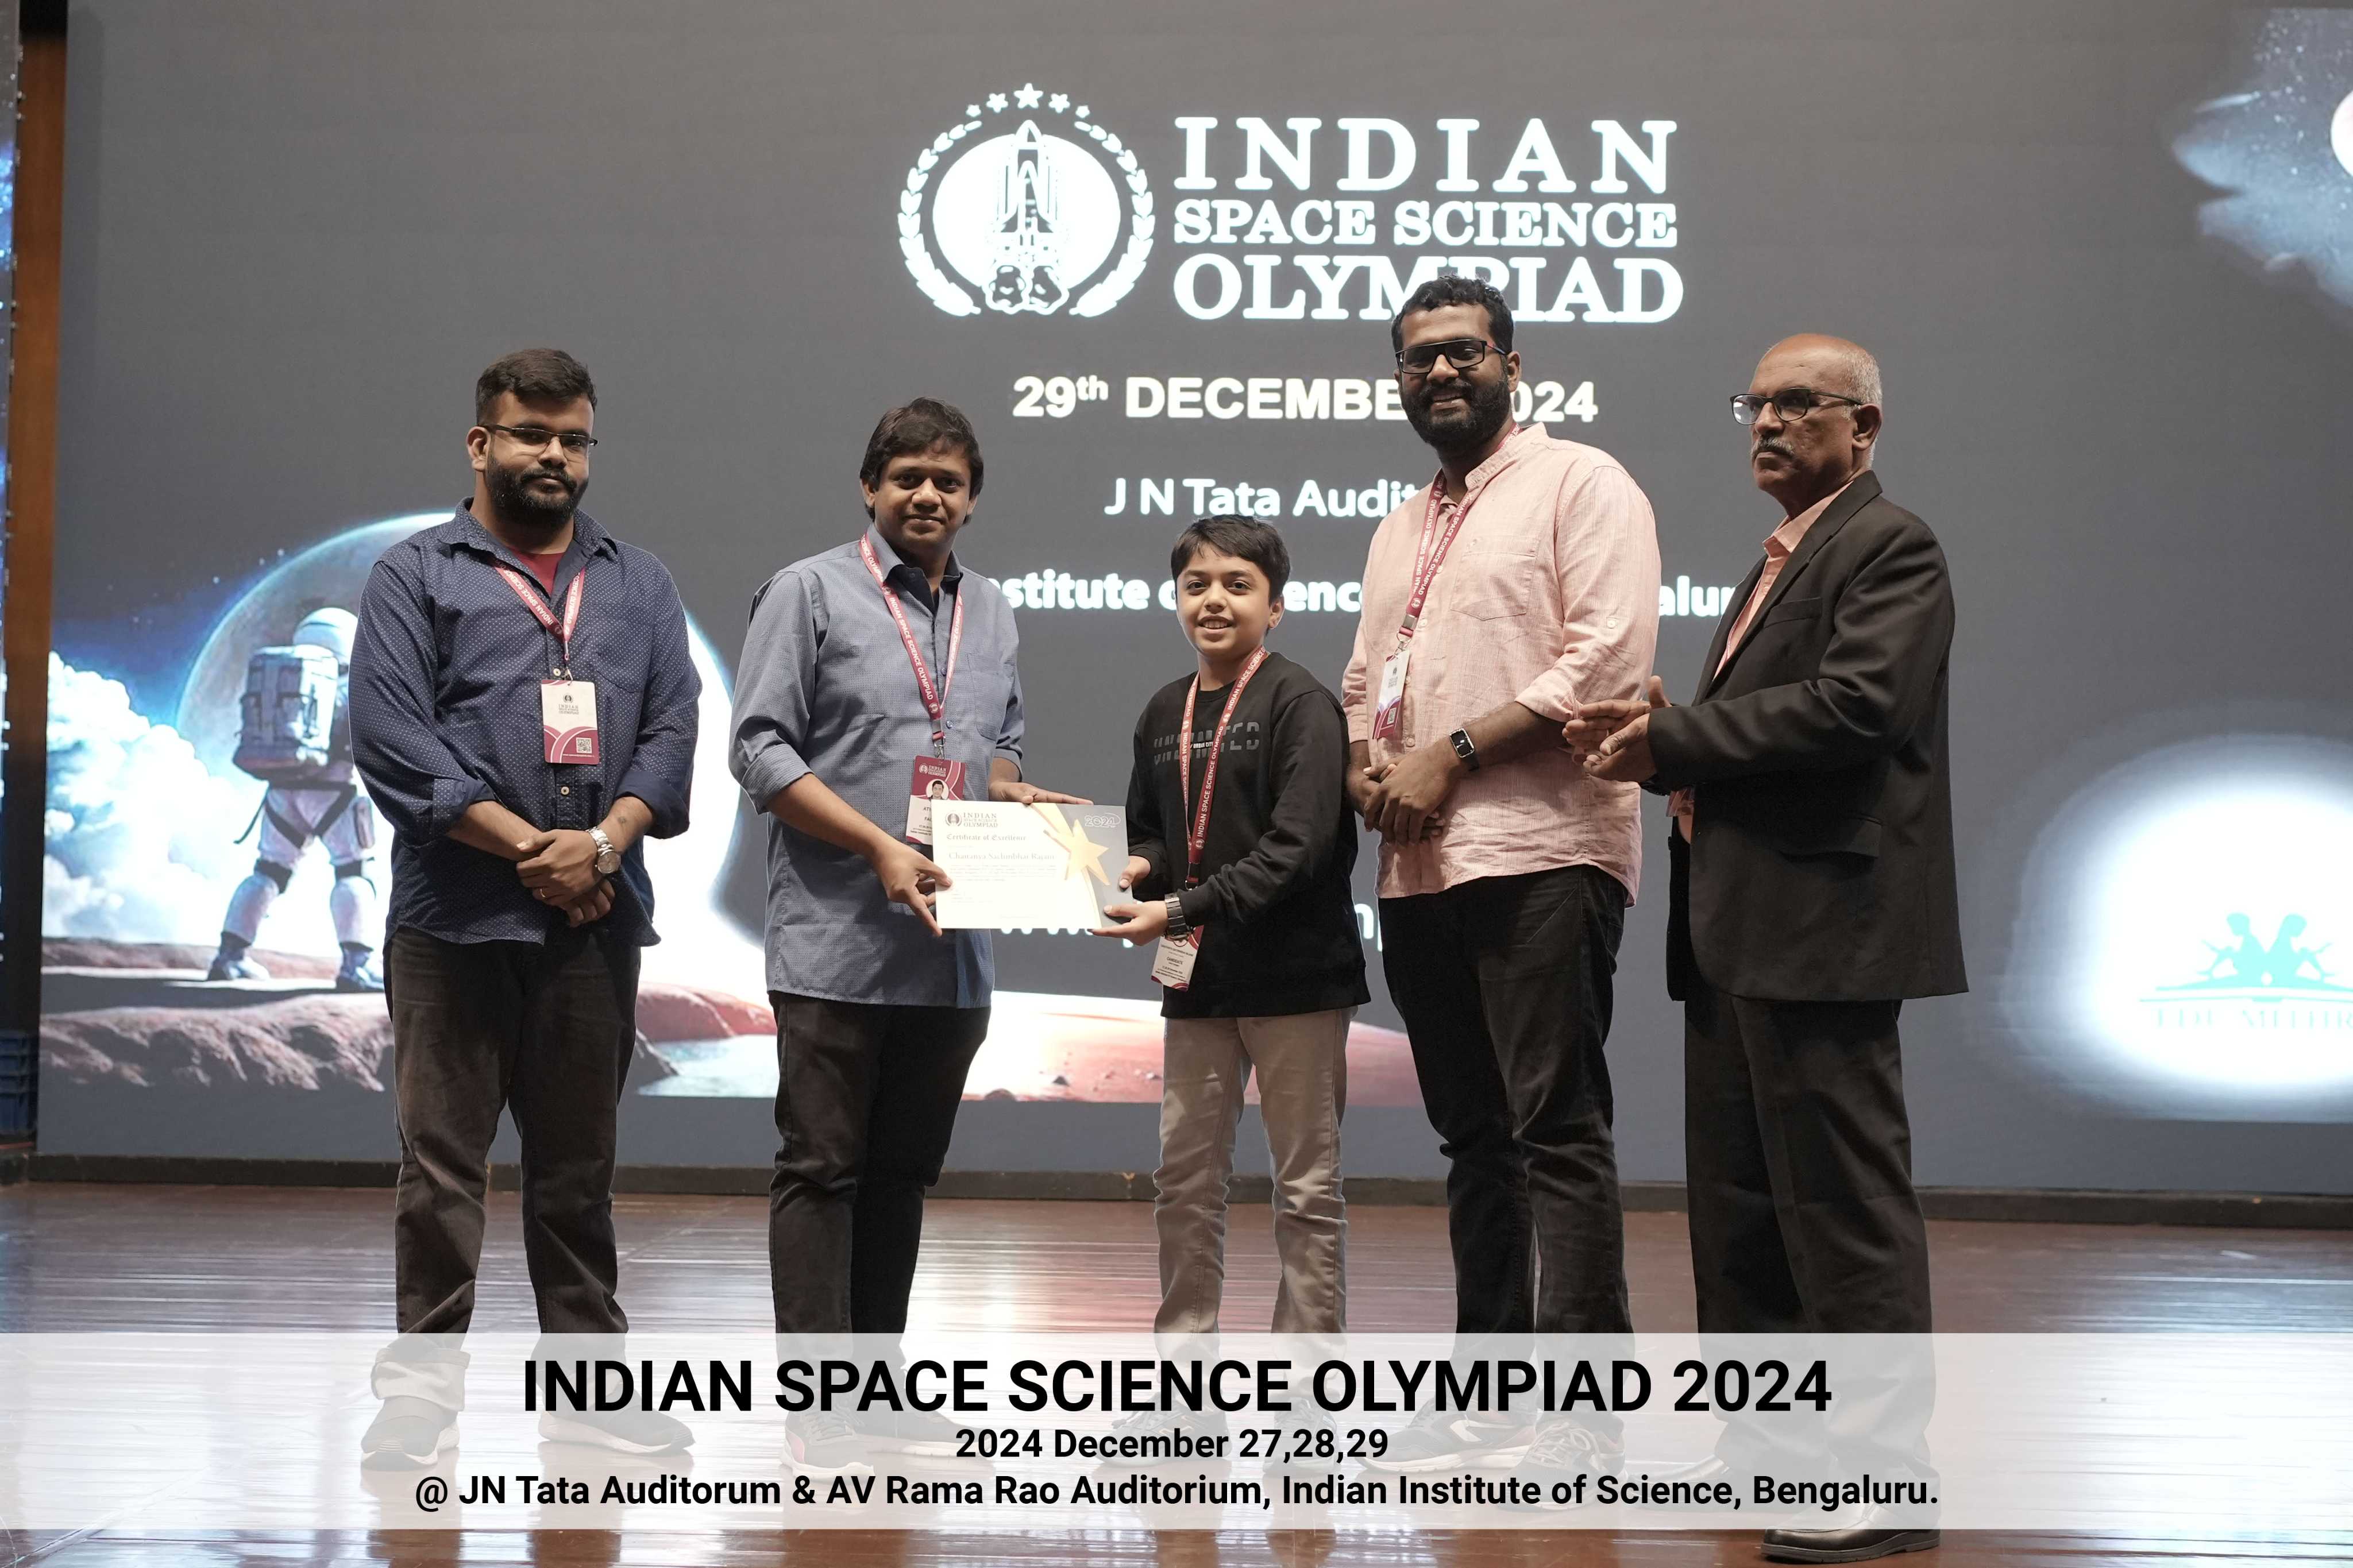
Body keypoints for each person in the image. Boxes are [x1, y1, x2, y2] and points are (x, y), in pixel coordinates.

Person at [1571, 334, 1962, 1563]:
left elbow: (1857, 708)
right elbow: (1758, 732)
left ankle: (1882, 1480)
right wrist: (1662, 738)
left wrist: (1679, 740)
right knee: (1741, 1213)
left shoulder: (1888, 545)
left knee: (1842, 1211)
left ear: (1864, 429)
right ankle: (1769, 1454)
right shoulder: (1777, 559)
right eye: (1756, 403)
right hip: (1737, 930)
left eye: (1800, 403)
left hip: (1822, 931)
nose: (1769, 422)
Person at [348, 347, 700, 1465]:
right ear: (480, 443)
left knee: (577, 1177)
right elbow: (392, 742)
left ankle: (592, 1393)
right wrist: (531, 852)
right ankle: (418, 1403)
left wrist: (600, 845)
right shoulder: (414, 576)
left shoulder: (639, 584)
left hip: (592, 925)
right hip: (449, 927)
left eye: (573, 438)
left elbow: (672, 731)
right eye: (530, 433)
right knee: (440, 1174)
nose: (554, 455)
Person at [1340, 275, 1660, 1482]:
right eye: (1417, 357)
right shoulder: (1397, 524)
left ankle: (1585, 1413)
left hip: (1543, 852)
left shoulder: (1583, 483)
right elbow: (1366, 675)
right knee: (1473, 1138)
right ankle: (1488, 1392)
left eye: (1463, 352)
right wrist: (1368, 766)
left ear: (1511, 366)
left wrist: (1451, 753)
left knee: (1555, 1130)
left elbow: (1605, 662)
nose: (1440, 372)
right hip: (1419, 869)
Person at [729, 398, 1084, 1470]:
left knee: (900, 1178)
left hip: (949, 957)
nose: (927, 495)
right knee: (822, 1170)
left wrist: (1013, 792)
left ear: (972, 499)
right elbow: (760, 752)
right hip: (834, 944)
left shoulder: (997, 609)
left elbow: (998, 742)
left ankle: (874, 1392)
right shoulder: (807, 593)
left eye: (948, 481)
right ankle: (817, 1406)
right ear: (870, 487)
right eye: (907, 477)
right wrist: (880, 845)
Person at [1093, 516, 1368, 1361]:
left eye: (1237, 584)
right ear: (1177, 598)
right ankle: (1184, 1368)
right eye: (1196, 584)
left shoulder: (1301, 702)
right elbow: (1151, 833)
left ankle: (1306, 1380)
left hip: (1297, 981)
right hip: (1200, 983)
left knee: (1307, 1190)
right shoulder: (1163, 709)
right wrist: (1132, 865)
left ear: (1275, 606)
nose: (1214, 600)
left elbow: (1299, 850)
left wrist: (1177, 910)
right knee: (1184, 1184)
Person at [208, 607, 385, 992]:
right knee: (353, 872)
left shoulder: (282, 681)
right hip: (334, 794)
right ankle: (356, 966)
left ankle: (229, 957)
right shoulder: (350, 687)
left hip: (280, 793)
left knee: (268, 871)